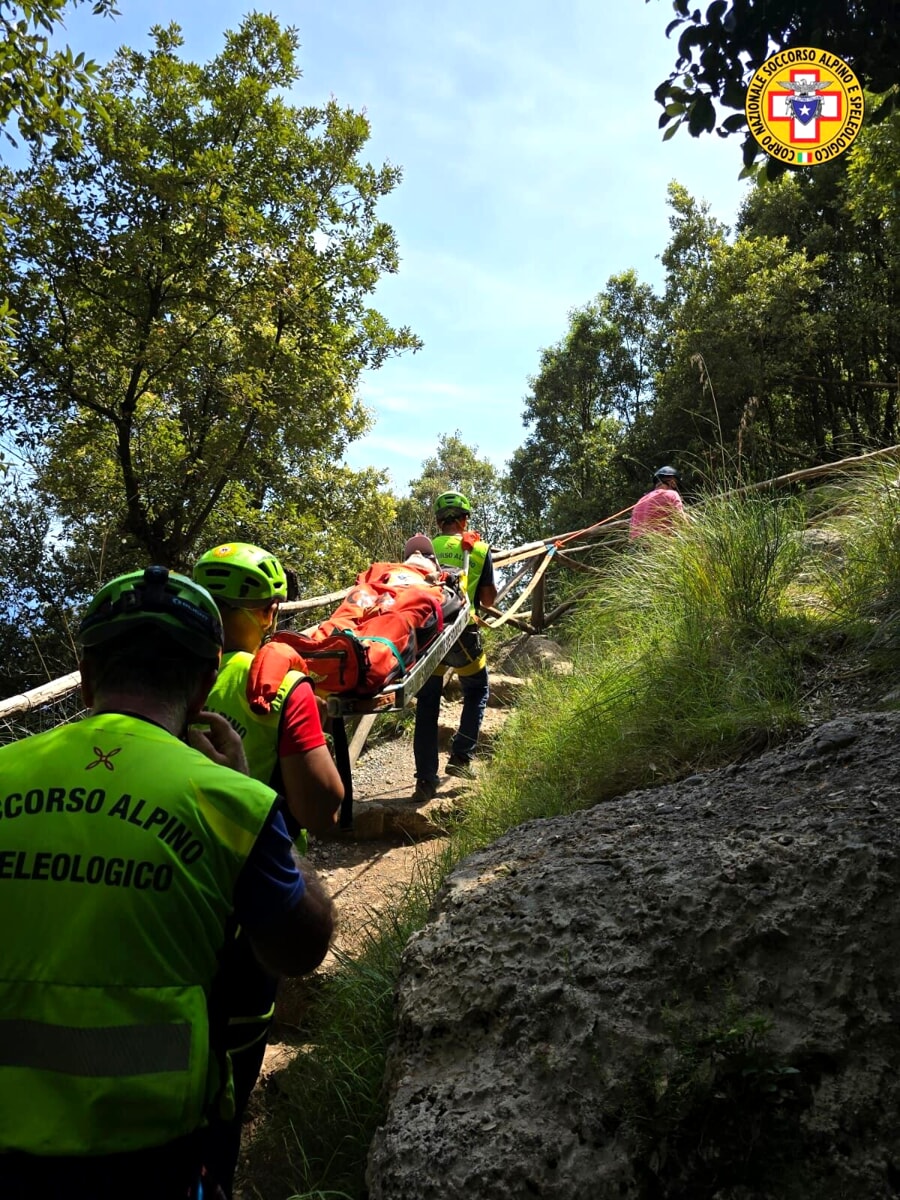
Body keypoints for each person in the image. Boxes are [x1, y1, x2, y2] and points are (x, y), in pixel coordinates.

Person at [0, 566, 334, 1200]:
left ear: (89, 676)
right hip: (150, 1149)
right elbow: (301, 948)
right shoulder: (229, 801)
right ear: (206, 684)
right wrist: (259, 800)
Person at [192, 541, 344, 1195]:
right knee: (227, 1077)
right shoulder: (278, 683)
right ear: (268, 610)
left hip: (168, 900)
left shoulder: (166, 676)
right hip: (252, 917)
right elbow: (319, 809)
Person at [412, 492, 497, 801]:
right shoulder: (479, 548)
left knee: (427, 704)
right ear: (465, 520)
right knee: (477, 690)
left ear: (438, 521)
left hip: (429, 637)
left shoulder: (421, 550)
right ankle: (460, 758)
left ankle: (424, 779)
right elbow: (488, 601)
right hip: (464, 632)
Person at [629, 465, 687, 539]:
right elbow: (682, 522)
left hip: (637, 546)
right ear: (673, 483)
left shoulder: (640, 501)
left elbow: (632, 533)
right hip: (658, 544)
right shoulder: (672, 494)